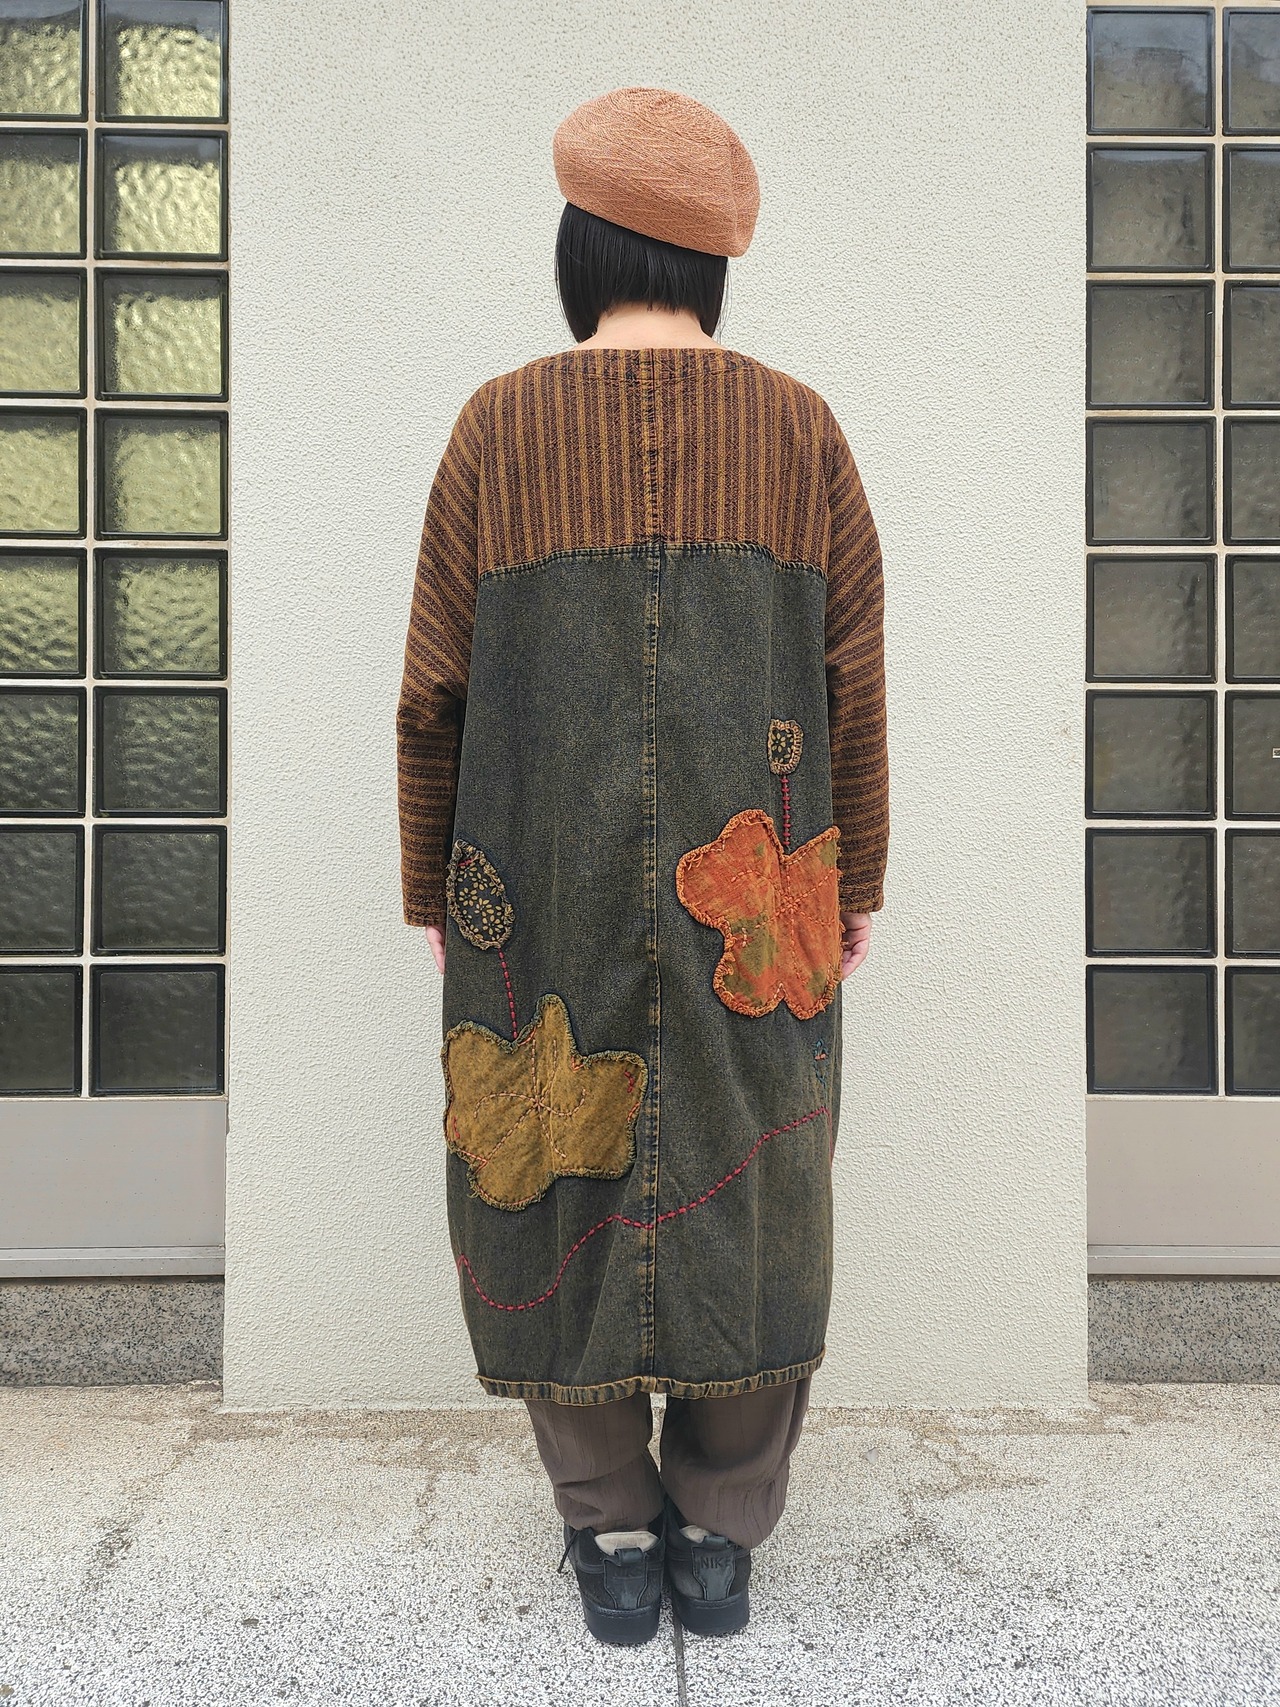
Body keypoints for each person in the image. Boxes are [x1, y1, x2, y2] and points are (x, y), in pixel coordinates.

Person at [396, 85, 888, 1646]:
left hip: (536, 885)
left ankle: (610, 1528)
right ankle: (722, 1534)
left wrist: (435, 884)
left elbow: (432, 688)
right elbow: (854, 677)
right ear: (710, 268)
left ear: (580, 250)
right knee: (763, 1176)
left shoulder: (498, 427)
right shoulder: (801, 429)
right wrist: (854, 879)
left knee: (544, 1163)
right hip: (766, 885)